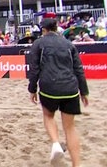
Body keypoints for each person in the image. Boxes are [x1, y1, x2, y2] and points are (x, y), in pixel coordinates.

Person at [28, 18, 89, 167]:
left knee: (48, 116)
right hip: (70, 88)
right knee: (70, 128)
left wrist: (32, 89)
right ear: (56, 28)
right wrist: (84, 91)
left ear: (43, 30)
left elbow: (34, 70)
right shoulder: (68, 44)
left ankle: (56, 144)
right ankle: (76, 164)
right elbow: (78, 69)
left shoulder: (38, 44)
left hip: (49, 87)